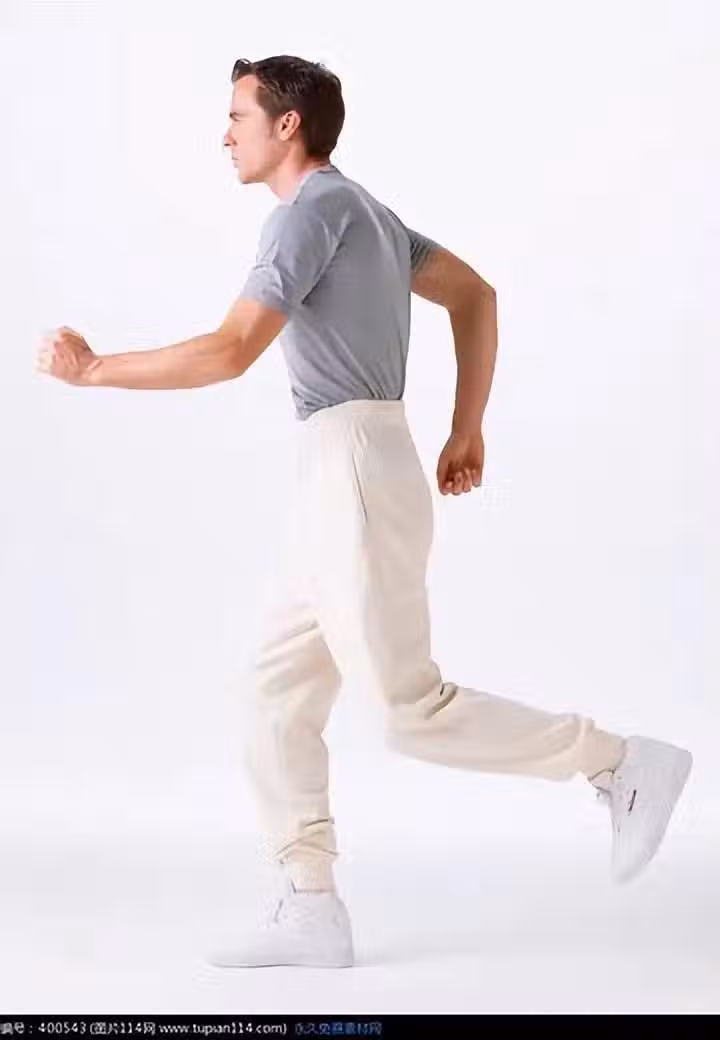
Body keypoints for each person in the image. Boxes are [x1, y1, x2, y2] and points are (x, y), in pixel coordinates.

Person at [36, 54, 693, 970]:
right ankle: (311, 905)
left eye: (238, 116)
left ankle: (620, 761)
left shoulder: (311, 213)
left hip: (351, 466)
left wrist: (96, 370)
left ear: (288, 125)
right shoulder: (368, 213)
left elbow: (231, 350)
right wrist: (465, 428)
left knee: (406, 710)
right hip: (342, 466)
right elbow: (475, 294)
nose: (225, 135)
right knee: (273, 696)